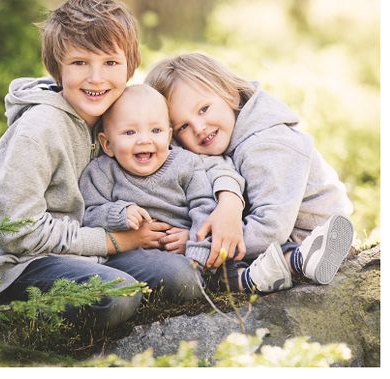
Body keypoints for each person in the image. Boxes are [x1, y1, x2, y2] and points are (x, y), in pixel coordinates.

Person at [0, 0, 245, 333]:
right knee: (116, 297)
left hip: (94, 252)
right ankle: (7, 321)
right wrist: (117, 242)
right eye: (80, 63)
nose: (96, 78)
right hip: (25, 265)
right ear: (57, 68)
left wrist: (229, 202)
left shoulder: (118, 114)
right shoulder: (38, 130)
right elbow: (15, 232)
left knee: (181, 277)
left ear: (130, 66)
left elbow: (198, 161)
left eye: (110, 63)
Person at [145, 52, 354, 295]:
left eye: (203, 109)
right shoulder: (221, 141)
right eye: (183, 126)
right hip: (267, 233)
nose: (199, 128)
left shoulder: (265, 145)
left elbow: (271, 228)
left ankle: (297, 261)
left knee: (216, 274)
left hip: (306, 236)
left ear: (230, 94)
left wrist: (198, 242)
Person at [80, 84, 300, 296]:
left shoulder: (185, 164)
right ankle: (249, 277)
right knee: (184, 273)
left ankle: (296, 260)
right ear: (107, 143)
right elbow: (87, 214)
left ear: (168, 137)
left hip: (191, 246)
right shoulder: (101, 172)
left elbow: (203, 207)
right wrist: (119, 213)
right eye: (129, 133)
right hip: (135, 254)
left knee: (228, 258)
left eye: (155, 130)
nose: (144, 140)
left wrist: (196, 252)